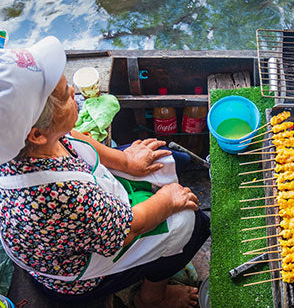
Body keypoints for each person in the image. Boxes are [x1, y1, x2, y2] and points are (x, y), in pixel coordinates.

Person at [0, 36, 210, 307]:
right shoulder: (60, 196)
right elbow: (126, 230)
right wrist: (167, 200)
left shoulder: (25, 142)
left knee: (170, 159)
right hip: (80, 273)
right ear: (37, 134)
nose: (76, 94)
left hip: (92, 210)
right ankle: (151, 297)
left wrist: (126, 162)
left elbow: (74, 136)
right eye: (66, 96)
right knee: (191, 223)